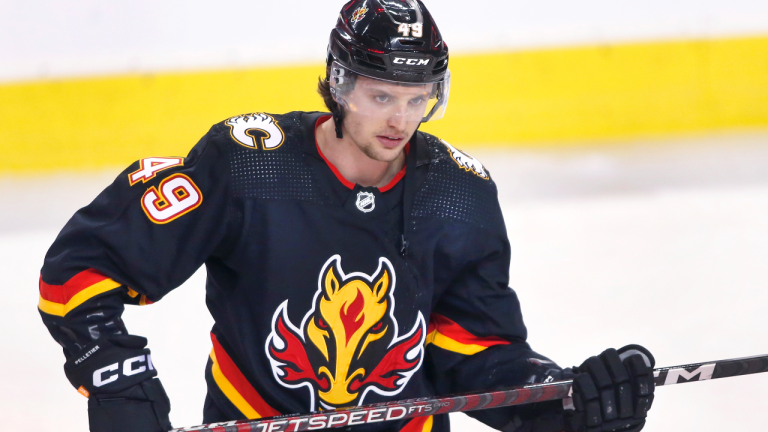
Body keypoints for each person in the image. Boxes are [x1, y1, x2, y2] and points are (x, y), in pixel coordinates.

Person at [38, 1, 655, 431]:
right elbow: (82, 269)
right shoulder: (249, 165)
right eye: (379, 95)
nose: (399, 121)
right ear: (337, 85)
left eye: (418, 100)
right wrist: (118, 378)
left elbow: (472, 352)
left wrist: (567, 401)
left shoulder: (458, 195)